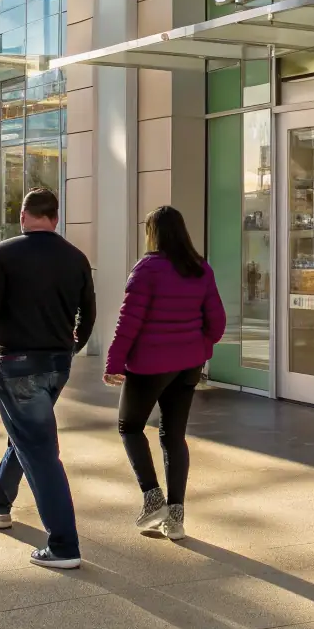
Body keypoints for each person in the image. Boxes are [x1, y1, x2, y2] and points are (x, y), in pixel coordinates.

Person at [0, 188, 95, 570]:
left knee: (40, 451)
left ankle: (64, 545)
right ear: (55, 218)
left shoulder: (3, 253)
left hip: (20, 364)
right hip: (57, 365)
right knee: (26, 437)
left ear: (23, 216)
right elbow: (87, 315)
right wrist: (71, 349)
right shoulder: (76, 258)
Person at [105, 206, 226, 542]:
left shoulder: (147, 269)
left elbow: (129, 322)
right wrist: (199, 347)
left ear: (153, 233)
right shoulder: (200, 268)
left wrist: (115, 362)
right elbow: (217, 323)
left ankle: (152, 497)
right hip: (188, 366)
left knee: (129, 426)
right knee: (173, 436)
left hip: (149, 366)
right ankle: (176, 518)